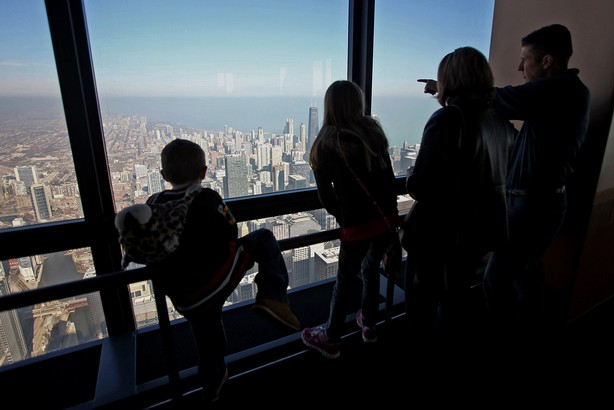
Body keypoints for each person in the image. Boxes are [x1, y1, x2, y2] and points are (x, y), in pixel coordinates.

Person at [420, 24, 591, 334]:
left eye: (525, 59)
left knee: (496, 280)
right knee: (527, 273)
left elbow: (492, 98)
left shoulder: (556, 91)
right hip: (545, 202)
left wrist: (447, 87)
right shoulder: (573, 93)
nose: (519, 67)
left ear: (548, 61)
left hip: (532, 204)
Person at [148, 139, 300, 402]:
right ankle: (273, 297)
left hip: (184, 295)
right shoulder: (207, 197)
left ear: (164, 175)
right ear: (204, 172)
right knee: (263, 238)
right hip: (215, 279)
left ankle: (213, 379)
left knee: (206, 331)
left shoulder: (152, 202)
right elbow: (231, 229)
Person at [404, 47, 515, 335]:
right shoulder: (502, 123)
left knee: (421, 308)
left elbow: (421, 186)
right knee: (456, 301)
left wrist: (410, 175)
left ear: (449, 80)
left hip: (438, 238)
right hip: (478, 235)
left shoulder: (447, 119)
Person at [300, 80, 401, 359]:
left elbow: (325, 196)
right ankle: (369, 324)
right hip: (382, 221)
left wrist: (344, 216)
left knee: (345, 281)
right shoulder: (374, 133)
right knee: (370, 272)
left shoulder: (325, 143)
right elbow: (388, 180)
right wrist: (390, 216)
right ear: (359, 103)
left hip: (355, 225)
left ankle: (330, 338)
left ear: (329, 106)